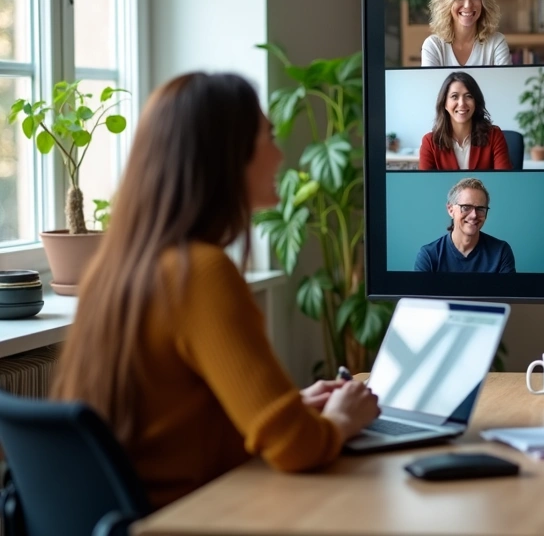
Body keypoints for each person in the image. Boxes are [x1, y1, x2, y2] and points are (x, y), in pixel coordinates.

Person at [49, 73, 381, 510]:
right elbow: (295, 448)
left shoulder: (115, 268)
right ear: (227, 157)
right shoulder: (199, 274)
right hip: (191, 517)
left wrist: (287, 406)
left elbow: (170, 422)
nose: (281, 155)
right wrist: (340, 421)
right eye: (268, 137)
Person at [415, 177, 516, 273]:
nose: (474, 215)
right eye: (466, 207)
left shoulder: (501, 252)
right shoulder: (429, 255)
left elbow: (508, 291)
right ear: (450, 210)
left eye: (480, 209)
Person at [418, 71, 512, 170]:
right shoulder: (429, 142)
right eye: (454, 96)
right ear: (445, 103)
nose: (462, 103)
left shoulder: (494, 136)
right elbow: (425, 184)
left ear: (476, 102)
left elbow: (503, 181)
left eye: (468, 96)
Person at [421, 0, 511, 67]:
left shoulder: (496, 43)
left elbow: (505, 82)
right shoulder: (434, 46)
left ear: (484, 3)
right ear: (447, 3)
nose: (467, 5)